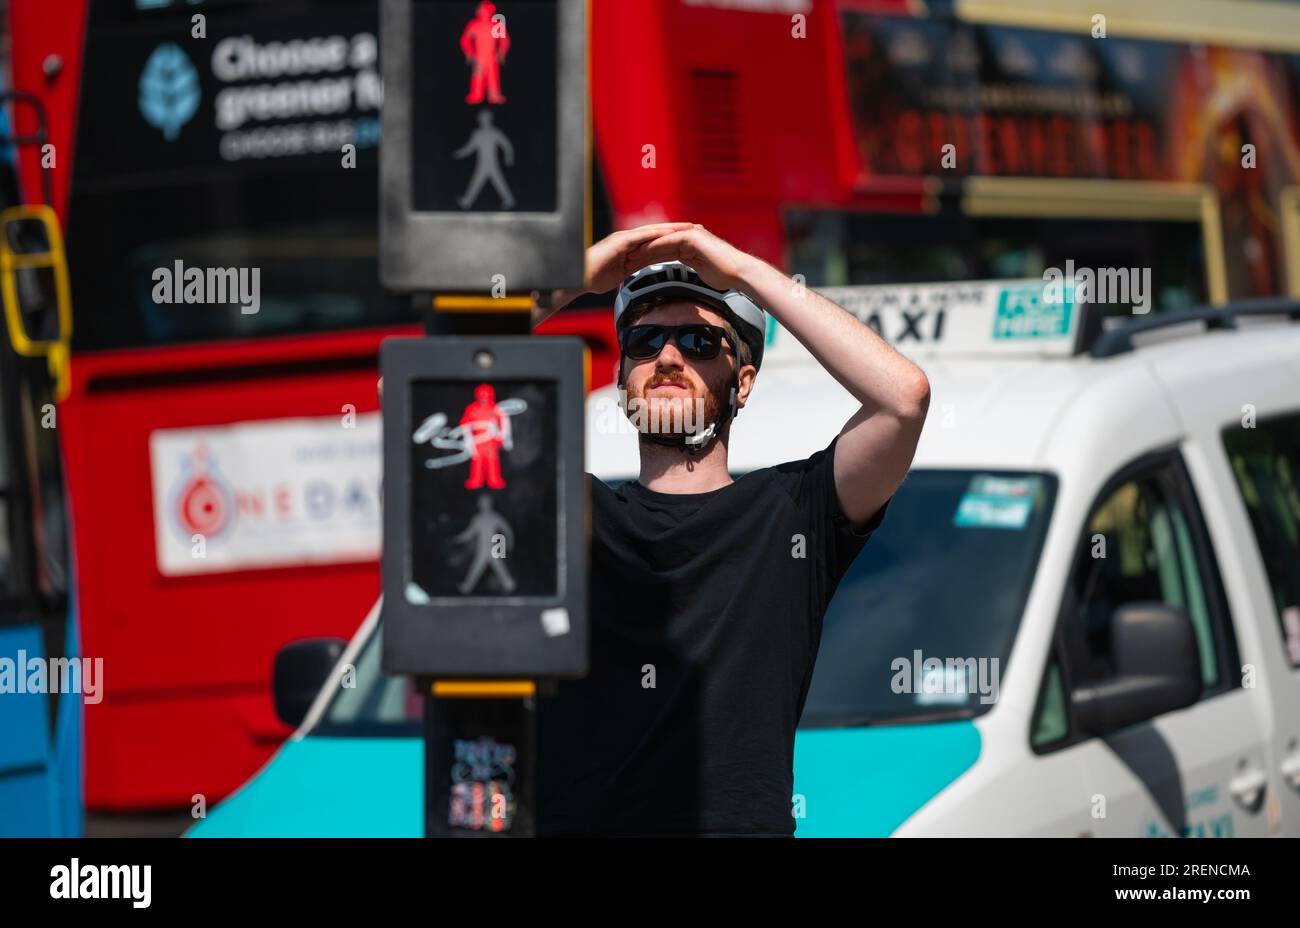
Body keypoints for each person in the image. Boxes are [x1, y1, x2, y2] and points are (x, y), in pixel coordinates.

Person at [531, 223, 930, 836]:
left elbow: (903, 399)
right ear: (621, 380)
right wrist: (569, 279)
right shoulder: (571, 513)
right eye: (645, 341)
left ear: (742, 382)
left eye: (697, 341)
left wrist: (744, 270)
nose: (668, 357)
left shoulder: (792, 513)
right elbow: (418, 400)